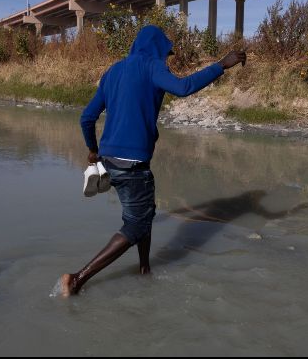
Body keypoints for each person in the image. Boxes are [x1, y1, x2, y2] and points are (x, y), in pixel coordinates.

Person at [60, 24, 246, 297]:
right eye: (166, 53)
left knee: (143, 215)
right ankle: (77, 279)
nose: (167, 58)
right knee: (135, 226)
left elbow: (87, 117)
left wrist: (92, 149)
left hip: (110, 161)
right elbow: (183, 88)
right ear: (157, 48)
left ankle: (144, 269)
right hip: (133, 164)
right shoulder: (151, 66)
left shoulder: (112, 71)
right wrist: (221, 65)